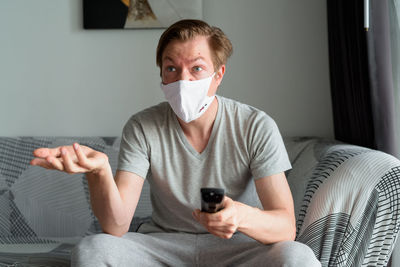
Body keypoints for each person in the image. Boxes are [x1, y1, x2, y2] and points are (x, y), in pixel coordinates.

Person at [31, 19, 321, 266]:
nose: (182, 81)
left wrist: (240, 217)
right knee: (92, 249)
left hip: (238, 247)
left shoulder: (256, 126)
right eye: (171, 68)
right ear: (161, 74)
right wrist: (99, 173)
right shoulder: (142, 126)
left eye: (196, 68)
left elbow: (285, 227)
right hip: (163, 247)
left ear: (218, 75)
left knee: (298, 257)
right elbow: (116, 227)